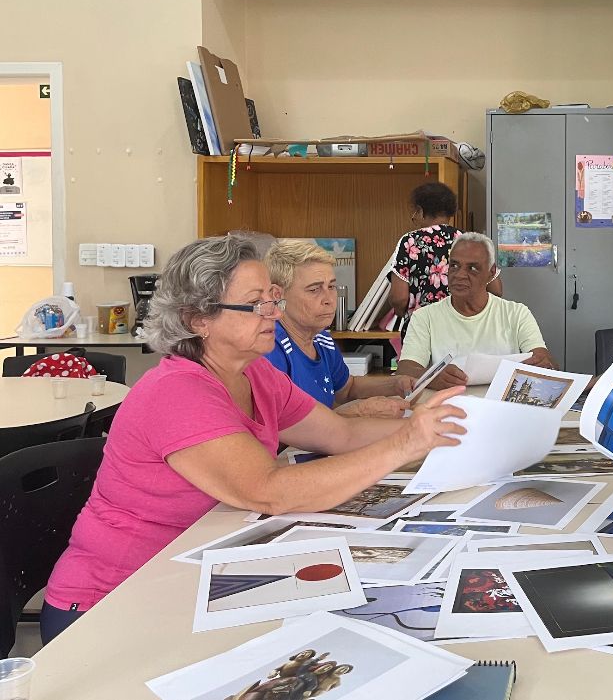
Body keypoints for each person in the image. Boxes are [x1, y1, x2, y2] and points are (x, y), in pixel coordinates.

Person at [41, 235, 467, 644]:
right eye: (255, 304)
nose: (275, 314)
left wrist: (450, 427)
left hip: (198, 573)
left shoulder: (253, 372)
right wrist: (405, 443)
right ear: (197, 319)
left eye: (273, 299)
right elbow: (268, 491)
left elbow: (344, 432)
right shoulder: (176, 392)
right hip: (111, 605)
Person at [265, 239, 413, 416]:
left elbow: (347, 388)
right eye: (314, 290)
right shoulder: (269, 349)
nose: (329, 299)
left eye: (331, 286)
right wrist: (358, 411)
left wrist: (396, 384)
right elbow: (285, 428)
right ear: (277, 294)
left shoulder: (322, 338)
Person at [397, 233, 554, 389]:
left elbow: (545, 361)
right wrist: (432, 376)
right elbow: (405, 370)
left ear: (491, 273)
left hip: (502, 409)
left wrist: (543, 364)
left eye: (472, 268)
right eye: (454, 266)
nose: (459, 275)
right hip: (446, 407)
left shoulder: (516, 314)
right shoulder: (425, 317)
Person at [388, 182, 502, 325]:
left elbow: (399, 298)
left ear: (421, 211)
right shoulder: (470, 241)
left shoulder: (410, 242)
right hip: (465, 329)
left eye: (415, 213)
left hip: (423, 330)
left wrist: (401, 312)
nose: (414, 218)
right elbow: (496, 290)